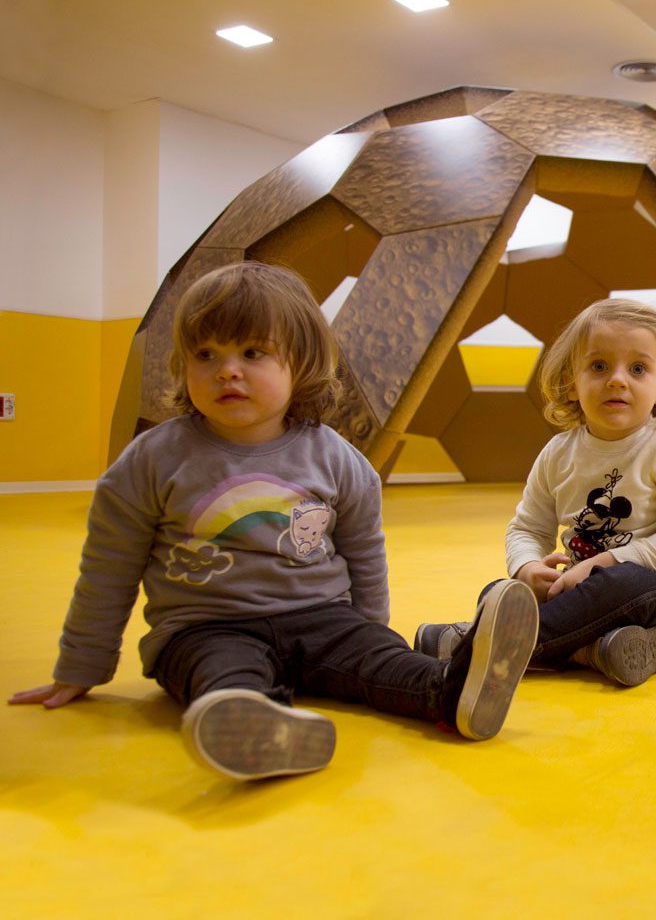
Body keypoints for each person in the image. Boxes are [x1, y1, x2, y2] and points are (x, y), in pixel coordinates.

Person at [9, 261, 538, 781]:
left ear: (301, 365)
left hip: (322, 618)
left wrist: (370, 629)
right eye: (205, 354)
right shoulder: (153, 460)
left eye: (252, 352)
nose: (226, 370)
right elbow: (108, 569)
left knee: (380, 662)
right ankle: (255, 731)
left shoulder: (335, 458)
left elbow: (363, 551)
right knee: (222, 677)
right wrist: (81, 667)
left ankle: (455, 687)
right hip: (204, 628)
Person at [415, 298, 656, 687]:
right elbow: (526, 528)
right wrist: (527, 568)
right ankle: (594, 651)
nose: (617, 379)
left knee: (619, 584)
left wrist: (604, 563)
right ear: (571, 383)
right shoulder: (558, 453)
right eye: (599, 366)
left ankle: (481, 646)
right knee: (503, 590)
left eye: (638, 368)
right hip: (579, 596)